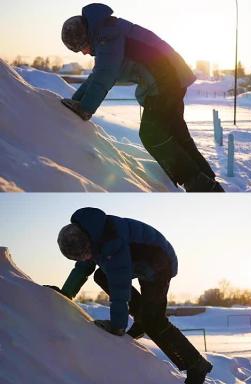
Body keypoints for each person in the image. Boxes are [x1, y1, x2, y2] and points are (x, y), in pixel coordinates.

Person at [59, 3, 223, 192]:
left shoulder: (107, 34)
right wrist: (76, 100)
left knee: (151, 134)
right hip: (171, 78)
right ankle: (209, 184)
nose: (85, 53)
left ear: (86, 36)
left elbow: (106, 73)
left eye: (83, 47)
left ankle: (199, 185)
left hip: (165, 80)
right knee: (176, 134)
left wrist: (85, 107)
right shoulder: (107, 30)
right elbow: (97, 75)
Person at [46, 207, 212, 384]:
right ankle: (142, 320)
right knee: (101, 275)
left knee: (154, 321)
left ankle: (196, 365)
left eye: (85, 254)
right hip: (139, 260)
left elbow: (120, 286)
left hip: (160, 263)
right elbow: (83, 267)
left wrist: (117, 325)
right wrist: (66, 292)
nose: (86, 259)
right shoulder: (91, 235)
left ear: (88, 243)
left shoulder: (111, 242)